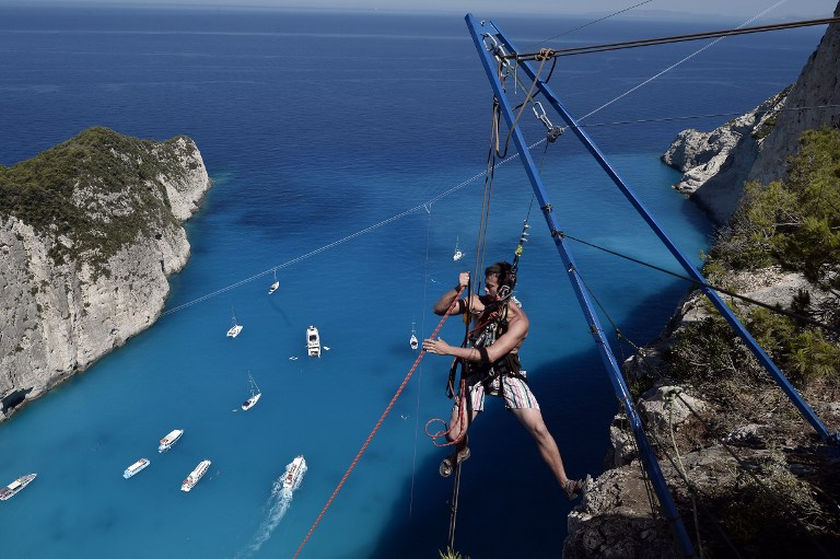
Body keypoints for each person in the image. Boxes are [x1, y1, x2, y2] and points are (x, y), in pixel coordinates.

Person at [422, 262, 584, 499]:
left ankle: (565, 483)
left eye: (490, 287)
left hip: (504, 371)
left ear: (505, 290)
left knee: (538, 427)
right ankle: (462, 449)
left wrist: (449, 350)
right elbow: (440, 309)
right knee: (453, 434)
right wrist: (458, 288)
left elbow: (490, 354)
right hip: (477, 369)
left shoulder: (519, 321)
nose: (485, 290)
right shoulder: (479, 304)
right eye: (485, 286)